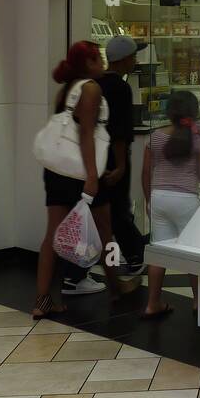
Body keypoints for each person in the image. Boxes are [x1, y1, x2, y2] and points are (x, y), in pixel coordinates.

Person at [34, 40, 137, 319]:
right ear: (88, 62)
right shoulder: (91, 89)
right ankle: (116, 286)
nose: (103, 62)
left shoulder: (66, 90)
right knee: (105, 232)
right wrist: (92, 176)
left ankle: (42, 300)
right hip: (81, 173)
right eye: (97, 58)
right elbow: (86, 135)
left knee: (52, 234)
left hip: (57, 171)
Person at [61, 34, 146, 297]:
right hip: (108, 161)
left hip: (83, 162)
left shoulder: (81, 86)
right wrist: (120, 165)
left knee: (91, 216)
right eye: (134, 55)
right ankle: (130, 261)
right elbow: (119, 131)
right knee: (114, 214)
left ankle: (77, 273)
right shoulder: (118, 88)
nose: (136, 60)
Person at [141, 91, 200, 319]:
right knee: (192, 254)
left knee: (159, 253)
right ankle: (198, 302)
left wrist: (148, 200)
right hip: (186, 201)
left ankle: (152, 304)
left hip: (159, 198)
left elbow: (145, 173)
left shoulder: (154, 137)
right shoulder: (198, 140)